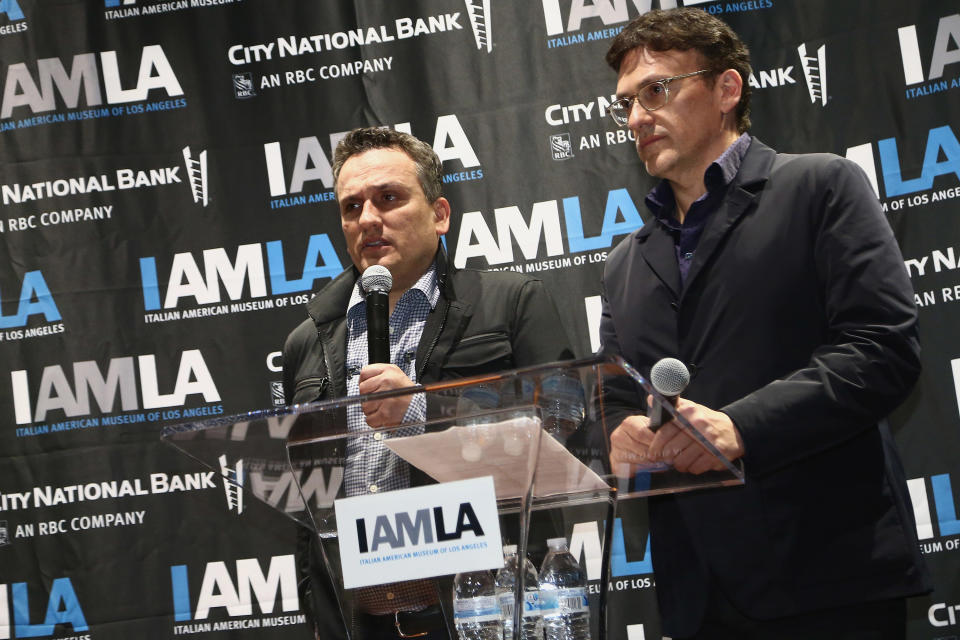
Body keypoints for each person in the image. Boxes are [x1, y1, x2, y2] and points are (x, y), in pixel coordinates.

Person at [599, 8, 930, 639]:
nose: (637, 117)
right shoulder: (624, 262)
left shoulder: (819, 185)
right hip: (696, 597)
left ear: (726, 89)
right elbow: (617, 390)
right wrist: (618, 434)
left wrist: (739, 427)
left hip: (828, 578)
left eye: (657, 90)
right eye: (627, 103)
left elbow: (881, 348)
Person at [282, 127, 574, 640]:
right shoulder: (307, 341)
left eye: (389, 198)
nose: (369, 219)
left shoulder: (510, 303)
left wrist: (423, 412)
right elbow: (311, 502)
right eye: (352, 208)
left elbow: (562, 427)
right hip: (358, 622)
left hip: (482, 611)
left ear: (440, 214)